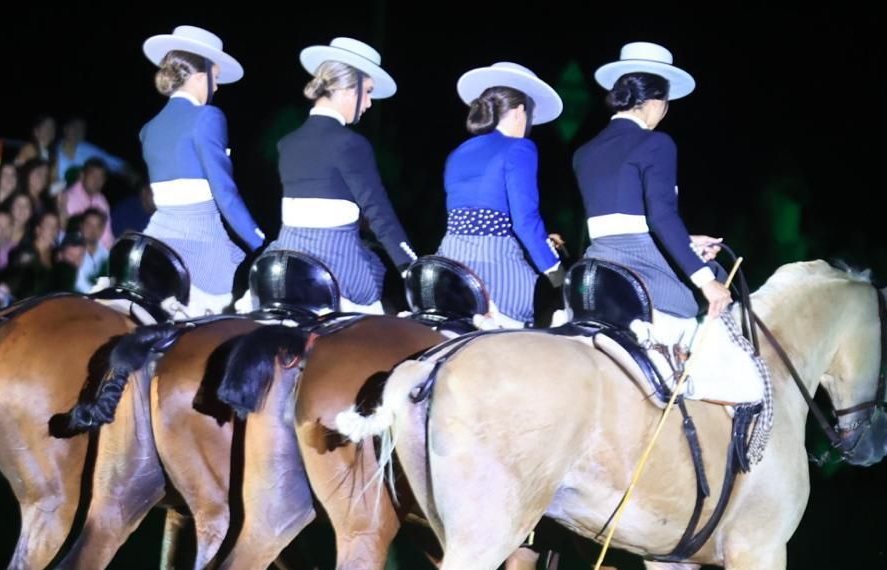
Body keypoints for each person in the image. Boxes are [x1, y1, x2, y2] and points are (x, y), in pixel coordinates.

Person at [572, 42, 762, 404]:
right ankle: (698, 389)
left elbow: (622, 219)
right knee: (722, 285)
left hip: (597, 263)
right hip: (639, 266)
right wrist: (706, 282)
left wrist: (686, 240)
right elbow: (661, 217)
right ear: (657, 101)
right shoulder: (656, 142)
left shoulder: (585, 151)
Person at [265, 37, 414, 312]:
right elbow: (379, 213)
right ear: (348, 90)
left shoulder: (287, 143)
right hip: (335, 267)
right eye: (367, 92)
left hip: (285, 263)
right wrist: (409, 265)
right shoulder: (351, 143)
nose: (368, 103)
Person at [136, 25, 263, 314]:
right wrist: (258, 240)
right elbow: (224, 191)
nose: (217, 87)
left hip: (157, 237)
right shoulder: (207, 116)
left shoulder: (149, 129)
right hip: (199, 238)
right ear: (198, 77)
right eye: (215, 78)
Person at [439, 61, 566, 327]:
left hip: (449, 267)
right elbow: (524, 220)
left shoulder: (457, 152)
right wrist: (555, 270)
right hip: (495, 269)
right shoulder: (520, 148)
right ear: (520, 111)